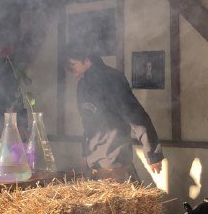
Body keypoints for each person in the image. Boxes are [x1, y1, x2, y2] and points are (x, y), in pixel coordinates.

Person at [64, 43, 164, 181]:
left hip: (115, 158)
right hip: (93, 160)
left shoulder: (112, 79)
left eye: (73, 65)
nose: (72, 72)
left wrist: (153, 154)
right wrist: (85, 154)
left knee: (119, 201)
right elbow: (87, 124)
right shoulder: (83, 84)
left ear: (87, 60)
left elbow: (136, 116)